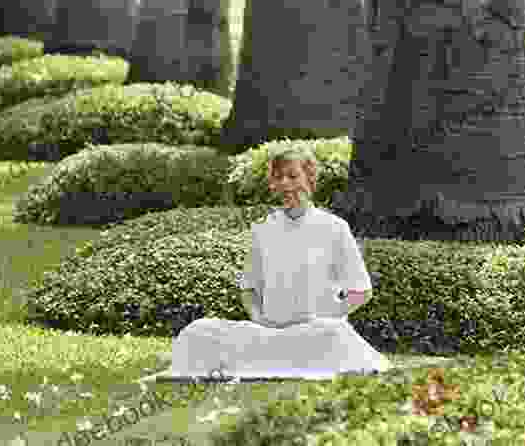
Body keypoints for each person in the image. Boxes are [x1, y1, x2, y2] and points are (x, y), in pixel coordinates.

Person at [168, 145, 393, 379]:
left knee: (332, 334)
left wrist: (327, 317)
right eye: (278, 177)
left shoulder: (335, 228)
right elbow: (248, 289)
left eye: (293, 176)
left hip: (317, 336)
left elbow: (361, 292)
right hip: (269, 336)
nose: (285, 184)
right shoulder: (263, 229)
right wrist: (259, 319)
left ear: (311, 179)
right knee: (198, 331)